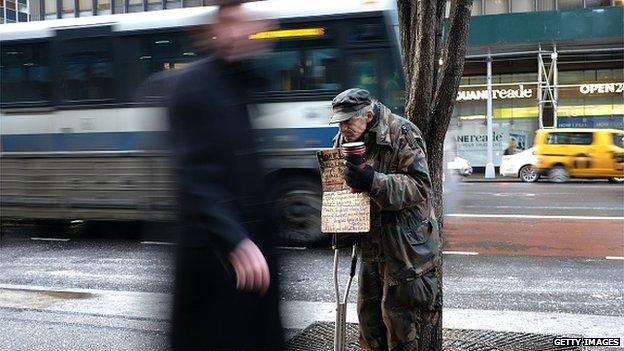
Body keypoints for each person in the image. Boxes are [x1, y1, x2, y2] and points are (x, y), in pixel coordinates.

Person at [167, 4, 283, 351]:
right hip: (215, 264)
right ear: (221, 25)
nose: (248, 30)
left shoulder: (244, 82)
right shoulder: (194, 84)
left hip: (251, 260)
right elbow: (194, 175)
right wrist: (234, 241)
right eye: (237, 20)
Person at [330, 88, 440, 351]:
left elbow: (420, 187)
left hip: (403, 249)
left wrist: (373, 181)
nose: (343, 128)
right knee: (370, 328)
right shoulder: (345, 139)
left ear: (367, 115)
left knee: (400, 329)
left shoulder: (403, 132)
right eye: (340, 122)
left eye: (348, 121)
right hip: (370, 245)